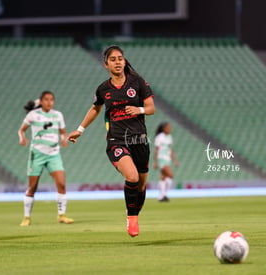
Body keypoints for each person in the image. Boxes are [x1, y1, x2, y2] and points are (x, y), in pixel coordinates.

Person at [68, 45, 155, 237]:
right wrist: (80, 130)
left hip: (139, 140)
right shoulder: (103, 89)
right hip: (116, 140)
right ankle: (132, 218)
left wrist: (138, 110)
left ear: (124, 61)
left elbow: (150, 107)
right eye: (113, 59)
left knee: (140, 186)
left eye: (120, 58)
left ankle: (133, 213)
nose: (118, 62)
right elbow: (95, 109)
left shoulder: (138, 82)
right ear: (106, 64)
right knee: (131, 177)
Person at [18, 91, 74, 226]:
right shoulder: (33, 115)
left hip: (54, 153)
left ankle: (62, 215)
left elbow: (62, 132)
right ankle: (26, 217)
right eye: (46, 99)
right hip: (37, 154)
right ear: (41, 101)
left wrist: (63, 139)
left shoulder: (58, 115)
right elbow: (21, 130)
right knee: (32, 187)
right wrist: (22, 138)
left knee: (61, 183)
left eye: (51, 100)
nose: (49, 102)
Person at [154, 122, 179, 202]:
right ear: (163, 129)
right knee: (171, 175)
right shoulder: (159, 137)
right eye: (168, 128)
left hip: (168, 159)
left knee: (164, 177)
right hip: (161, 158)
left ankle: (162, 196)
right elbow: (156, 150)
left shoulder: (169, 137)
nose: (170, 129)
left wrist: (175, 161)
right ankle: (163, 195)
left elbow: (171, 150)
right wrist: (156, 162)